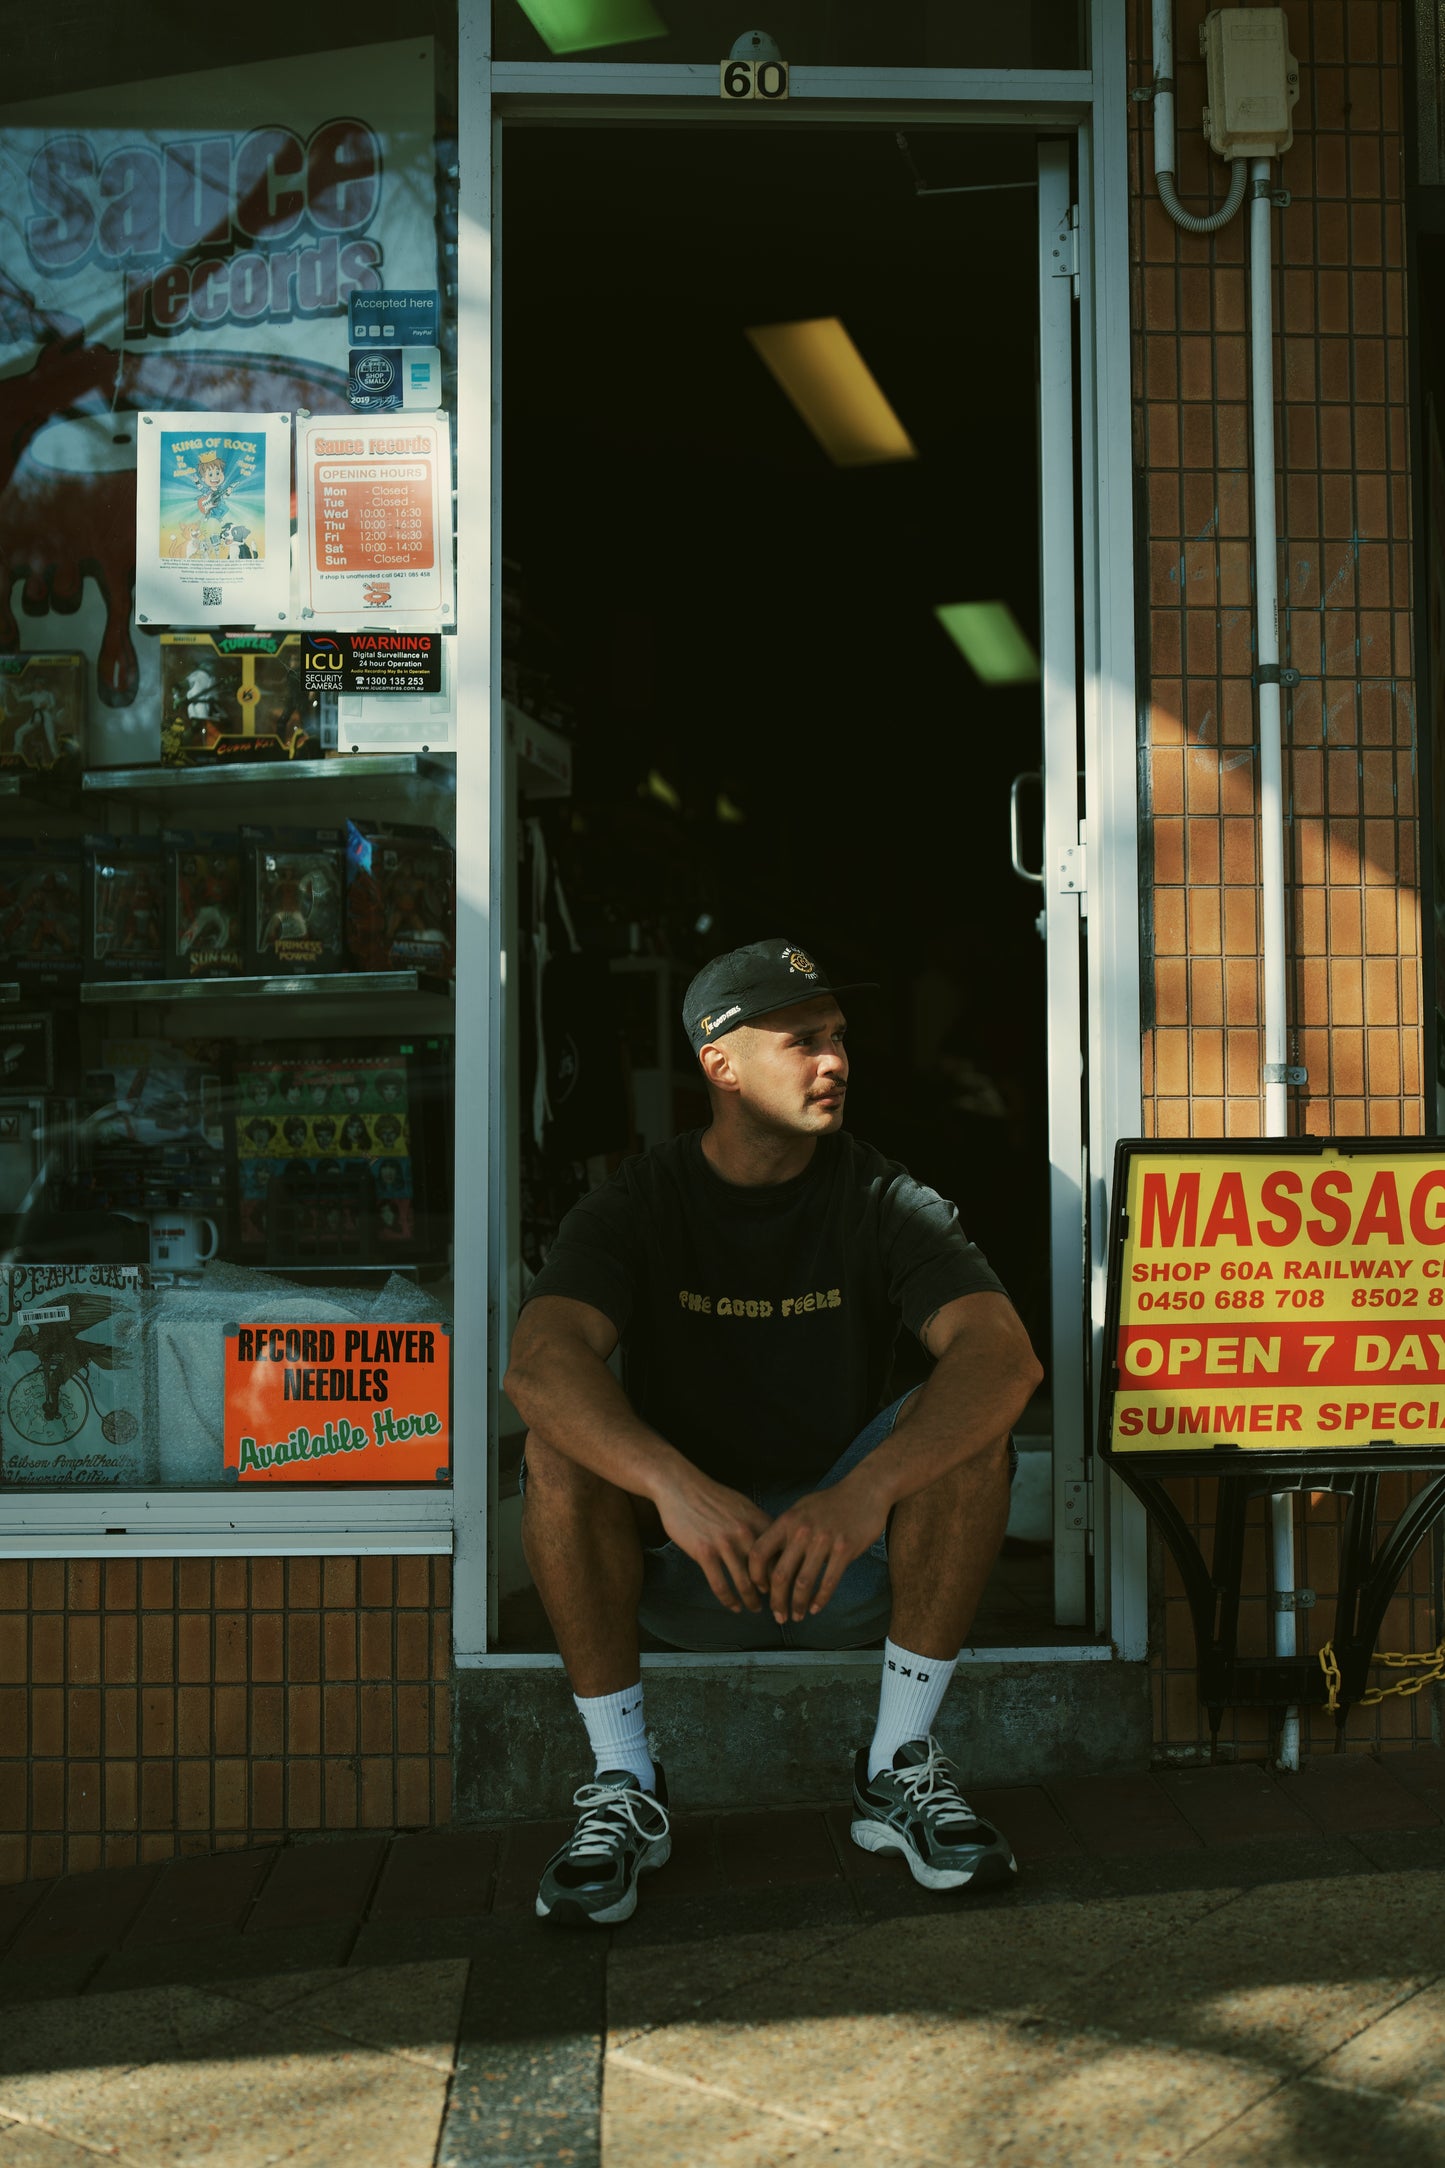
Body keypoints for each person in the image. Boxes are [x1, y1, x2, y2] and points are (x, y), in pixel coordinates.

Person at [506, 938, 1043, 1928]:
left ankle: (894, 1766)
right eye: (801, 1041)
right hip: (684, 1565)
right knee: (556, 1447)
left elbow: (1002, 1357)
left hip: (841, 1567)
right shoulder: (639, 1198)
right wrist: (671, 1483)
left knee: (971, 1422)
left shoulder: (880, 1194)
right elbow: (539, 1360)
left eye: (837, 1038)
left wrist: (860, 1494)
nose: (834, 1060)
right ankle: (624, 1781)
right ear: (720, 1063)